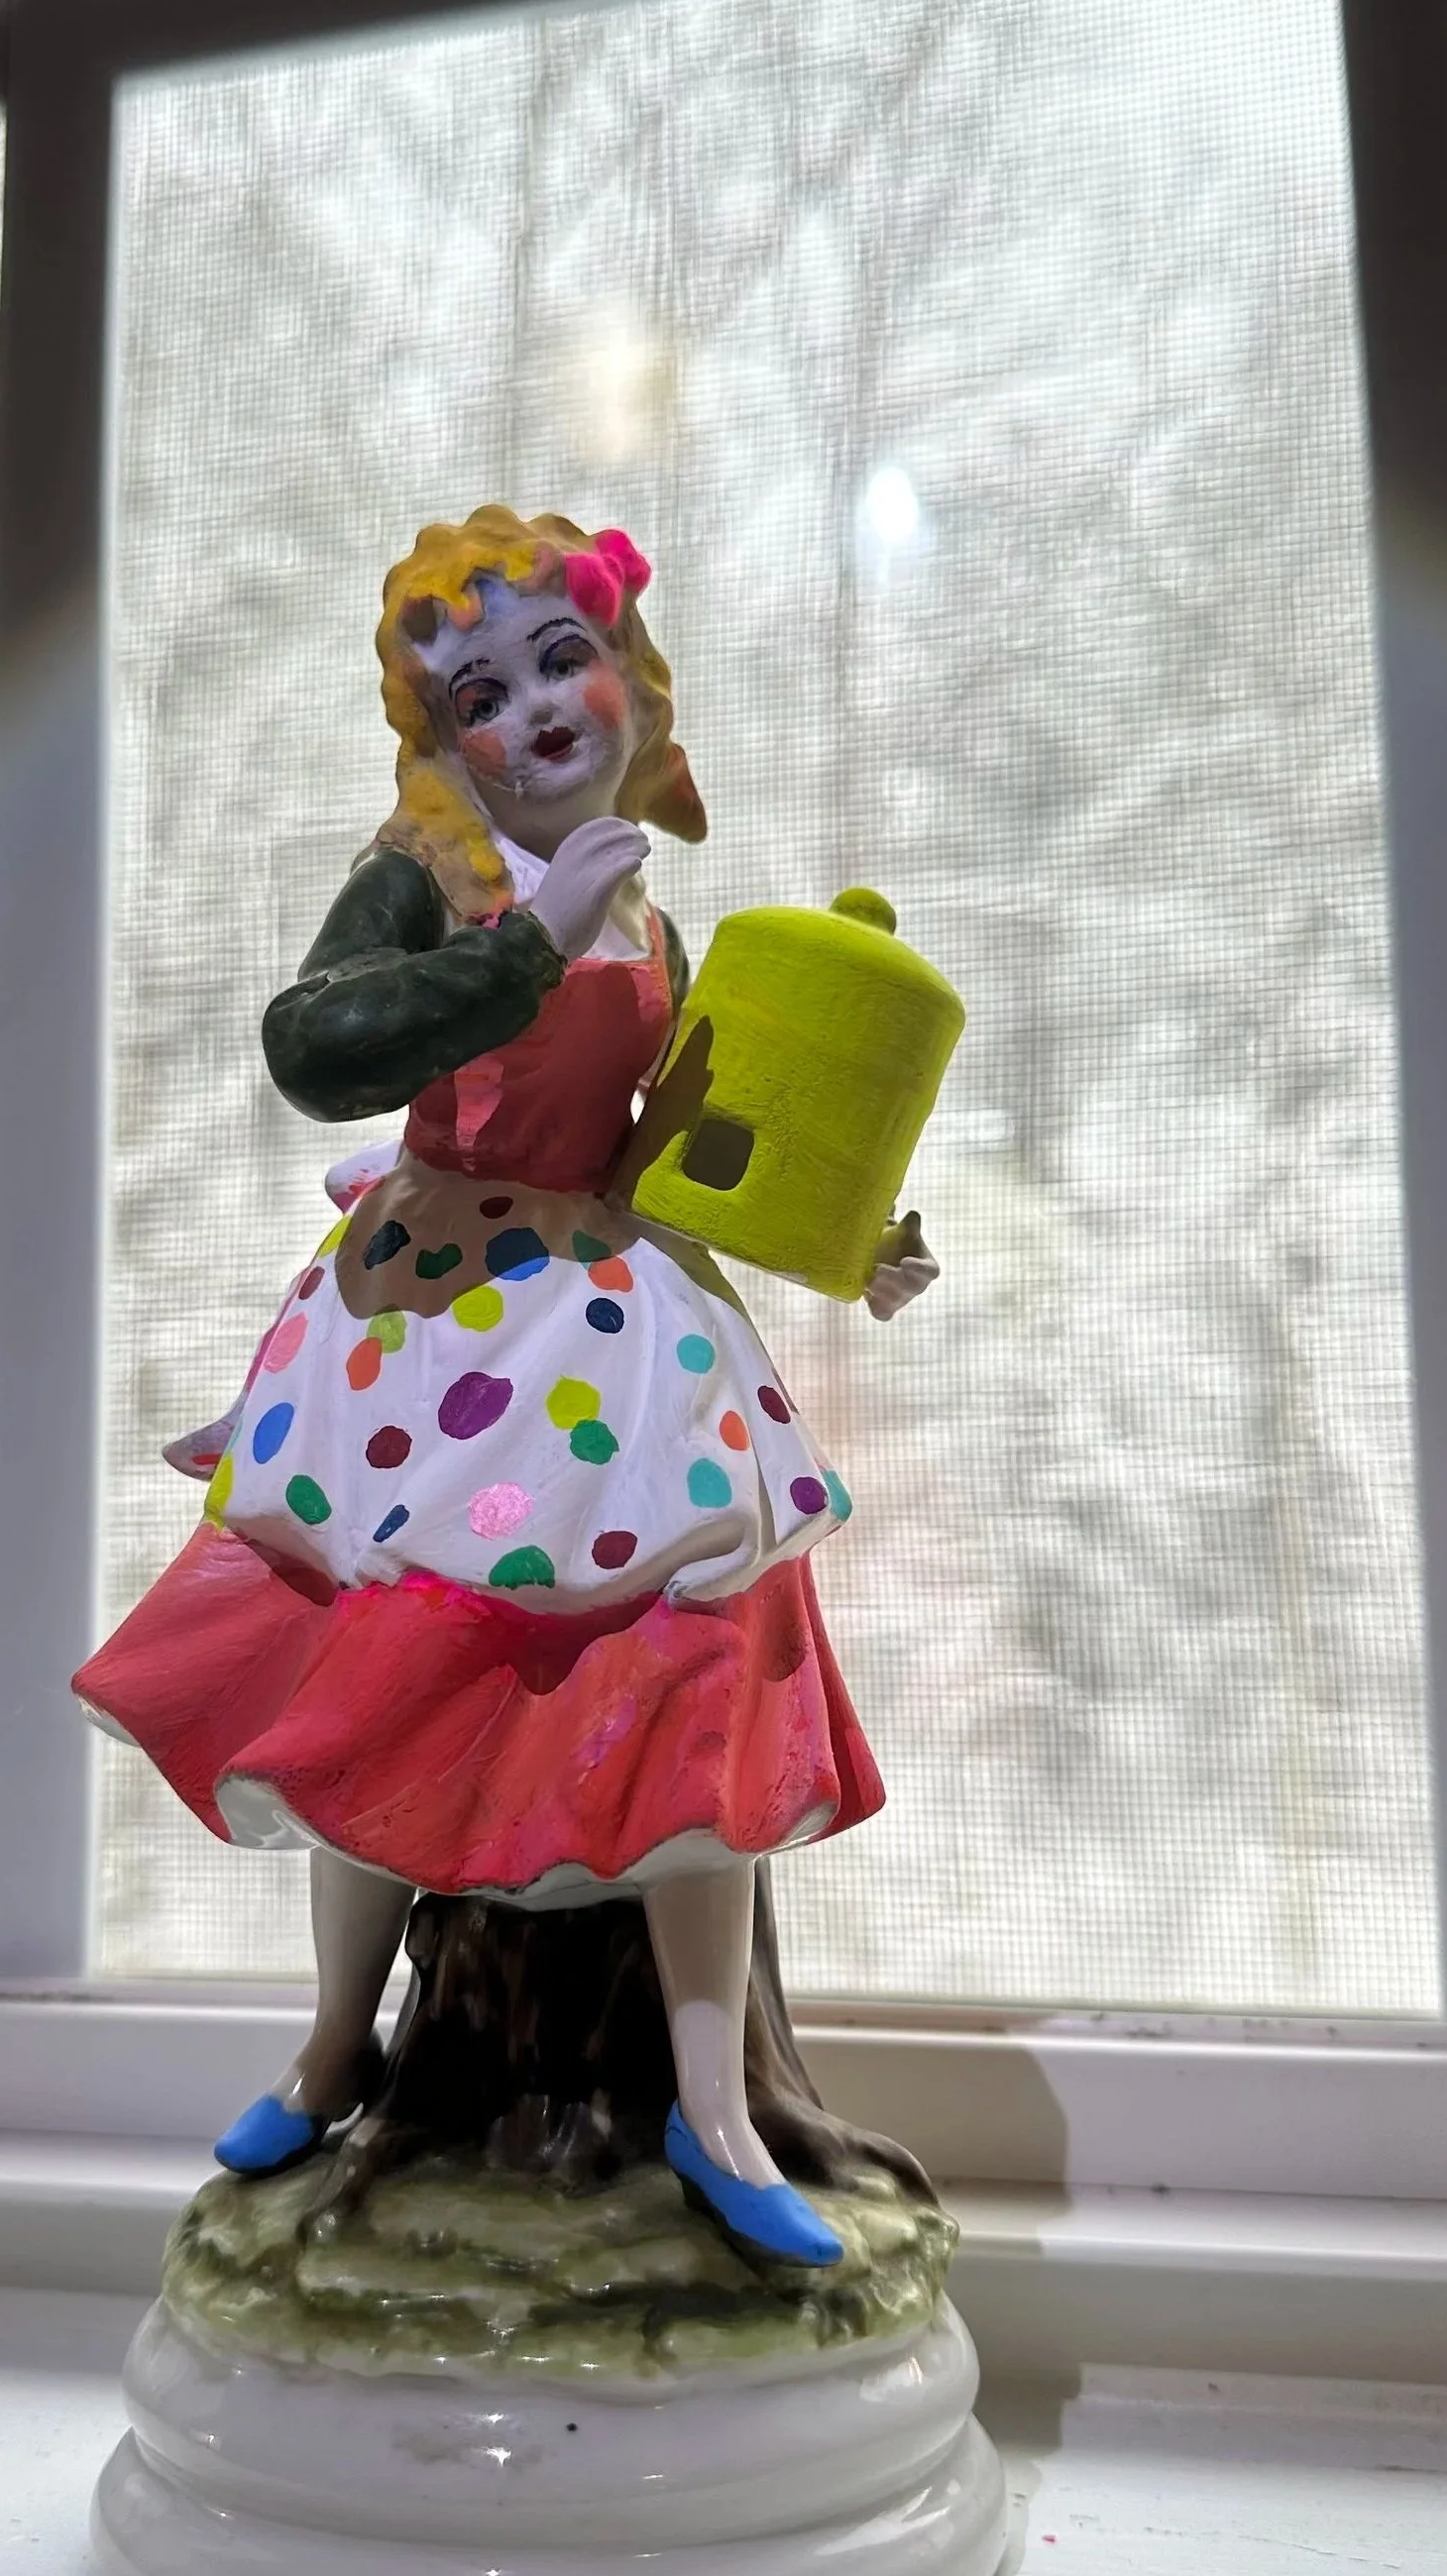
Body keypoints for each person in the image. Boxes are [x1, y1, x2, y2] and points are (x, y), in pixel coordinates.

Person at [74, 506, 937, 2264]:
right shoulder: (430, 876)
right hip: (435, 1321)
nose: (536, 705)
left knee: (696, 1666)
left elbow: (696, 1144)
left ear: (633, 681)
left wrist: (858, 1242)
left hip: (605, 1322)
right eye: (480, 688)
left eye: (564, 657)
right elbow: (316, 1044)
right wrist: (520, 942)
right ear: (436, 738)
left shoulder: (657, 917)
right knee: (381, 1667)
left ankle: (710, 2107)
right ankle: (335, 2044)